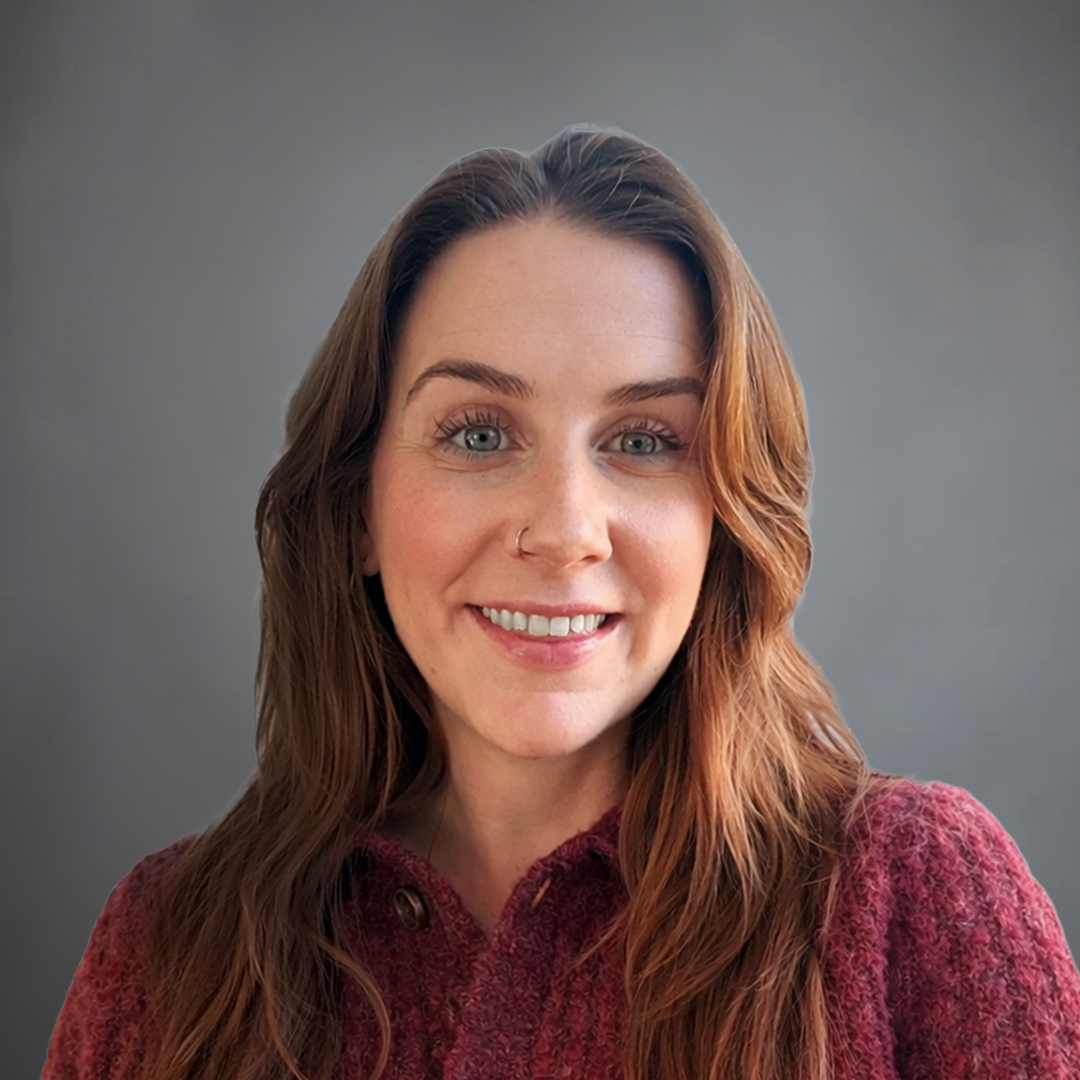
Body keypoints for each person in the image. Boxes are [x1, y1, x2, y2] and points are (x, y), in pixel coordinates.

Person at [43, 126, 1080, 1080]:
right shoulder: (167, 947)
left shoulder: (913, 893)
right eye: (480, 434)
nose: (565, 527)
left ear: (723, 516)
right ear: (357, 506)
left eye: (643, 441)